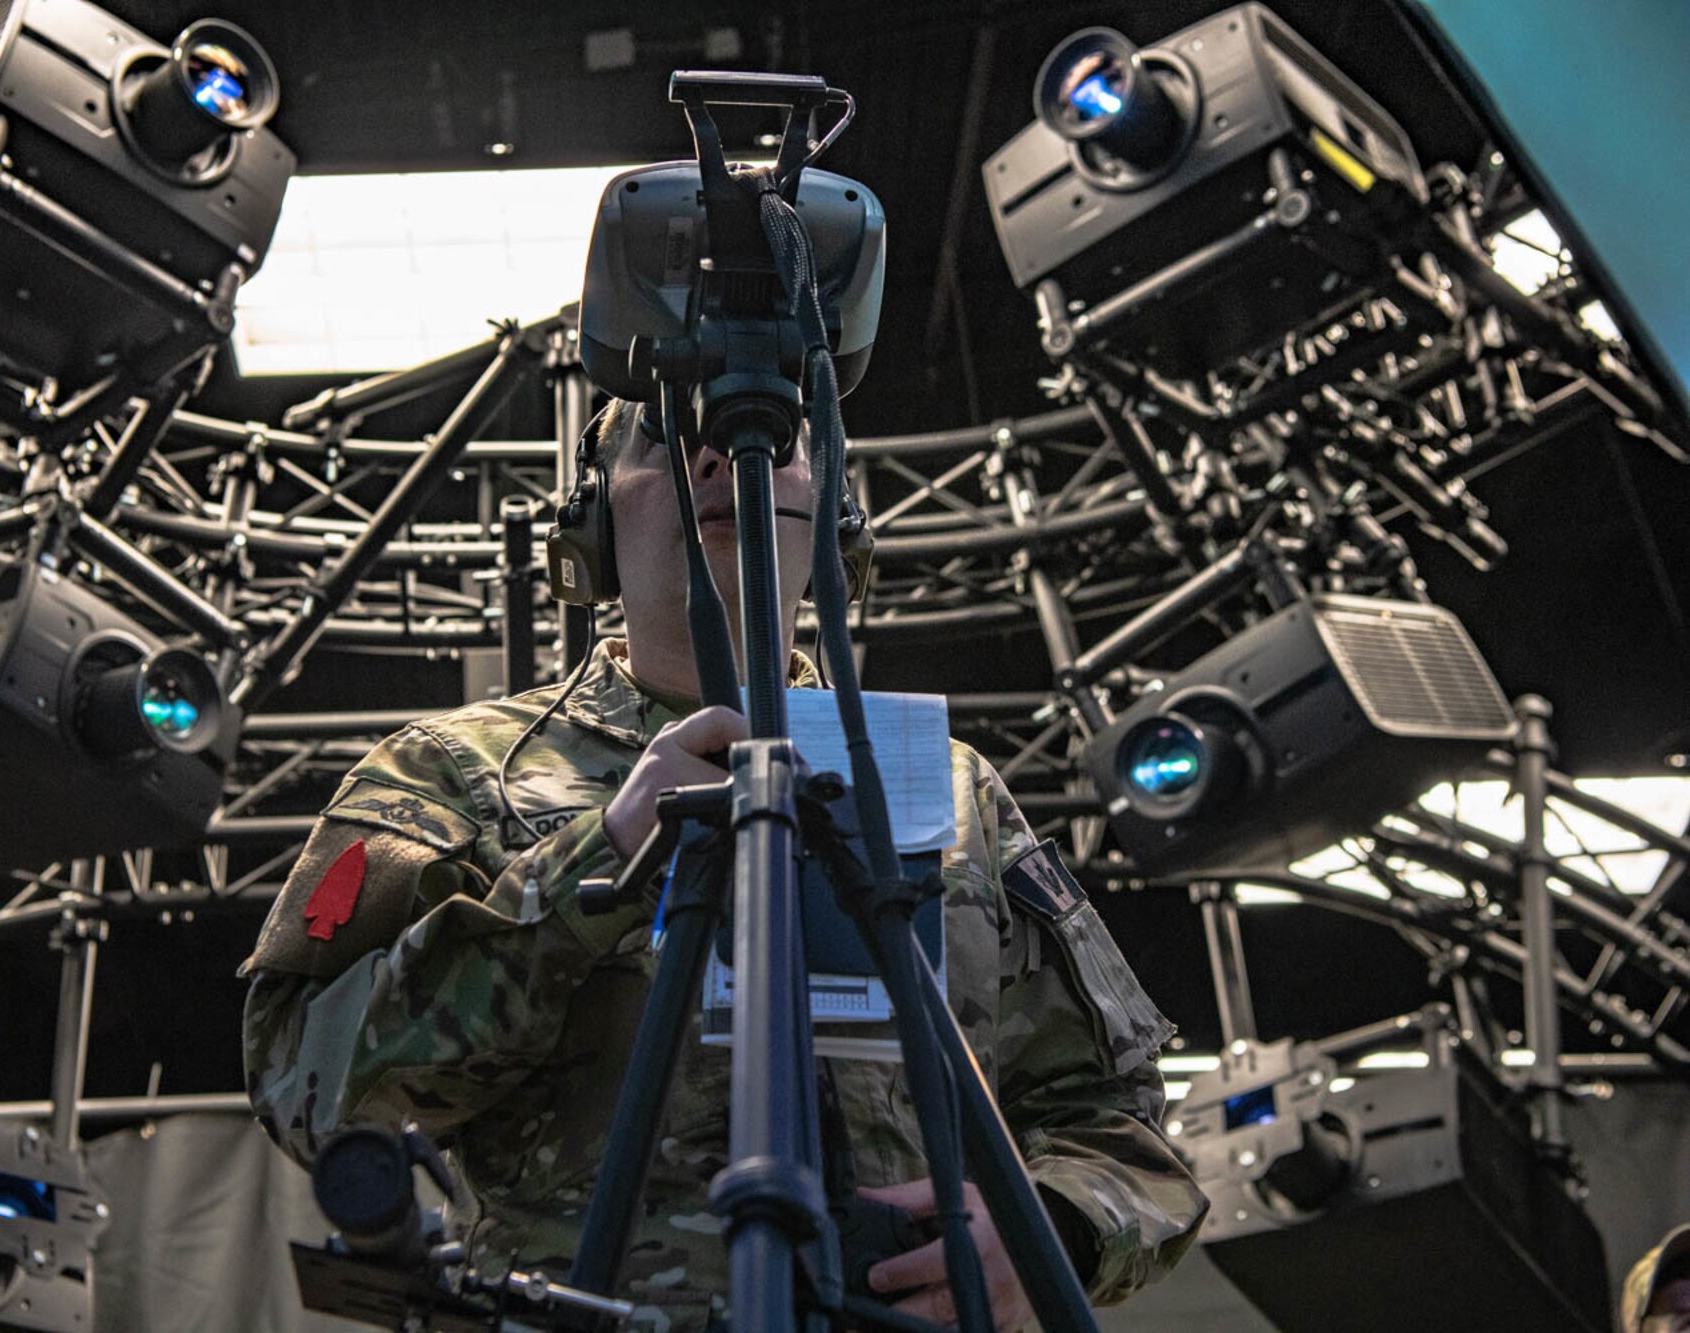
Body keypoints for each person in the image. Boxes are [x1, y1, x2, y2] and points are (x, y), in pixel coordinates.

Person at [241, 398, 1209, 1330]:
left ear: (835, 517)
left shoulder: (947, 787)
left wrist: (1047, 1233)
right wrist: (592, 863)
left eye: (772, 440)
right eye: (669, 440)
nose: (723, 460)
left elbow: (1115, 1121)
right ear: (591, 521)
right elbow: (304, 1085)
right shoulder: (449, 771)